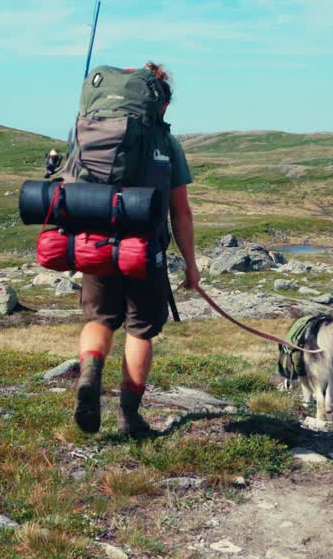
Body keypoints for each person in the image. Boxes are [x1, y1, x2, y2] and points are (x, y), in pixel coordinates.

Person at [73, 62, 201, 437]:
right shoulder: (166, 142)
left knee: (99, 321)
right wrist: (191, 266)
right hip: (145, 252)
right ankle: (129, 416)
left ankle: (89, 377)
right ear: (159, 103)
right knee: (140, 331)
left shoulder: (86, 131)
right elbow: (182, 211)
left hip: (95, 243)